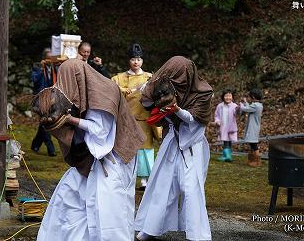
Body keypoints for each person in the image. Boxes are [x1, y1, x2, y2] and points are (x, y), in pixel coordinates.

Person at [35, 58, 145, 241]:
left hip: (114, 158)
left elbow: (101, 132)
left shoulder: (104, 92)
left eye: (65, 80)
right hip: (94, 158)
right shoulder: (82, 90)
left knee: (108, 212)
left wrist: (71, 120)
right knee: (69, 197)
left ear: (75, 76)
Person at [135, 56, 213, 241]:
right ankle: (150, 229)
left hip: (192, 146)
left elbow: (195, 120)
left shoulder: (202, 93)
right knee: (163, 186)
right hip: (172, 143)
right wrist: (151, 87)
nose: (175, 81)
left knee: (190, 188)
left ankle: (196, 234)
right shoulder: (165, 86)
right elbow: (145, 100)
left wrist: (176, 109)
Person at [111, 43, 160, 189]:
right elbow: (114, 91)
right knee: (128, 149)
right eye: (133, 59)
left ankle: (146, 179)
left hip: (145, 119)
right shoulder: (118, 78)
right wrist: (127, 89)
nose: (136, 62)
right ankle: (126, 177)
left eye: (138, 59)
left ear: (142, 60)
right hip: (127, 120)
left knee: (146, 151)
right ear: (129, 61)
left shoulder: (150, 77)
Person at [30, 47, 56, 156]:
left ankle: (35, 145)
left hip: (50, 98)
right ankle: (51, 149)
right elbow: (34, 81)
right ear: (44, 58)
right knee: (45, 121)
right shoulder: (37, 67)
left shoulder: (53, 68)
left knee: (44, 123)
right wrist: (41, 68)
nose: (50, 60)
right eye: (48, 58)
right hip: (40, 99)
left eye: (51, 58)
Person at [239, 88, 264, 167]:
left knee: (254, 144)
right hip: (255, 127)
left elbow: (245, 109)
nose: (249, 98)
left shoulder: (255, 106)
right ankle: (253, 160)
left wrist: (241, 105)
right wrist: (246, 102)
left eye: (249, 97)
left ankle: (257, 161)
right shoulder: (258, 105)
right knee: (252, 143)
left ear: (253, 97)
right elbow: (249, 108)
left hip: (253, 127)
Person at [214, 88, 240, 162]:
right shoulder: (220, 106)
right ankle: (227, 156)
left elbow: (237, 113)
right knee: (225, 141)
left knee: (229, 141)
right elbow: (216, 115)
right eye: (226, 96)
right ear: (223, 97)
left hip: (231, 127)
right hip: (223, 127)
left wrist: (239, 109)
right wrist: (217, 121)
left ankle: (227, 156)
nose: (228, 98)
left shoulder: (234, 106)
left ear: (232, 97)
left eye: (229, 96)